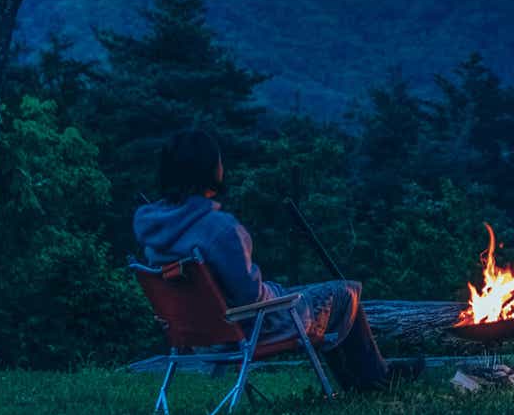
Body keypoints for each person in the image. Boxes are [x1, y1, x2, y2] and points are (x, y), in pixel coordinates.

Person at [133, 129, 421, 390]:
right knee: (345, 291)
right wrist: (277, 293)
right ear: (210, 169)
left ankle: (368, 379)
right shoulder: (219, 229)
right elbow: (249, 295)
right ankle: (375, 379)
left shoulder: (155, 231)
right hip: (252, 327)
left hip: (198, 333)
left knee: (317, 294)